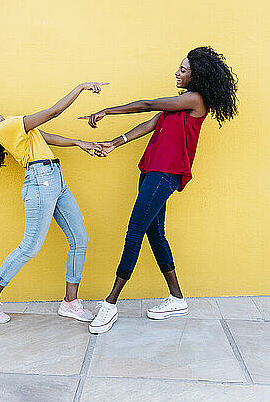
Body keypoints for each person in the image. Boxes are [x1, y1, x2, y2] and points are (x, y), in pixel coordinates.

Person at [80, 47, 238, 334]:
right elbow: (151, 123)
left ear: (197, 75)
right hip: (151, 172)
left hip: (165, 175)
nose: (177, 73)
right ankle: (177, 298)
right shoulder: (179, 102)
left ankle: (110, 303)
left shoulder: (195, 99)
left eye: (183, 69)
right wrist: (115, 142)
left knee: (135, 230)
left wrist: (107, 110)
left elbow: (148, 105)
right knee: (155, 233)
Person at [0, 82, 108, 324]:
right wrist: (81, 87)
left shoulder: (12, 123)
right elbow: (53, 112)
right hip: (40, 183)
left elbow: (45, 137)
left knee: (79, 239)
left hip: (55, 178)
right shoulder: (5, 128)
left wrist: (78, 143)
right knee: (30, 246)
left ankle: (70, 303)